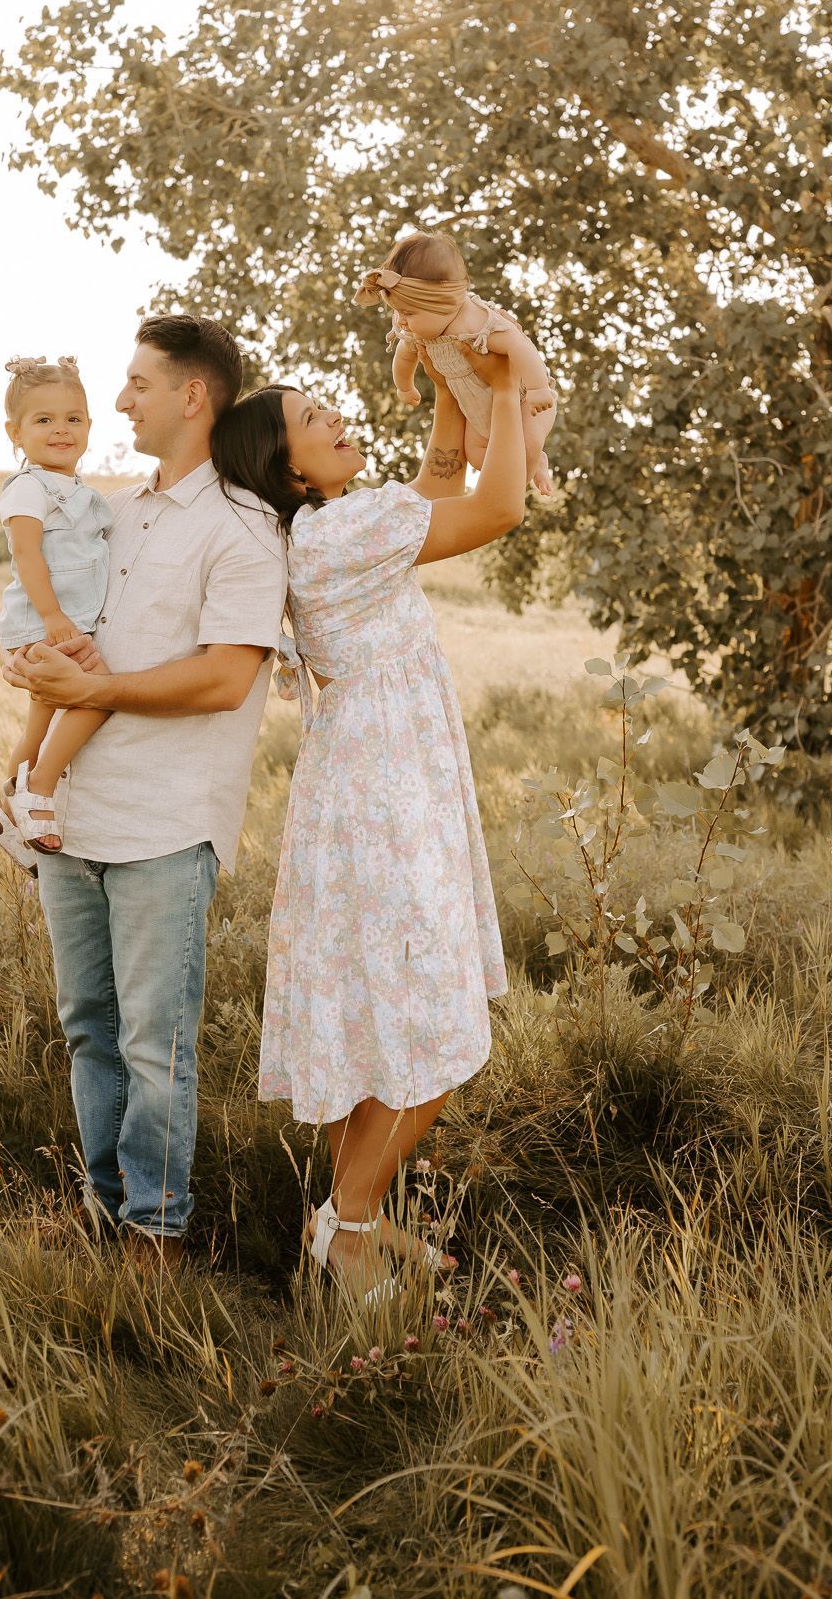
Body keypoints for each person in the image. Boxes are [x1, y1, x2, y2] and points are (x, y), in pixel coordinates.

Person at [210, 341, 525, 1299]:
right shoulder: (341, 535)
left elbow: (437, 476)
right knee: (429, 1026)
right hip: (387, 799)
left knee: (388, 1023)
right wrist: (504, 390)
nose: (336, 419)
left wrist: (439, 387)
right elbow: (497, 505)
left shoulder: (336, 528)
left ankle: (355, 1213)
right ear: (288, 468)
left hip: (374, 791)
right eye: (313, 421)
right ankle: (345, 1232)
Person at [5, 315, 286, 1263]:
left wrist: (98, 689)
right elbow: (79, 627)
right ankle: (103, 1205)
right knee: (88, 1030)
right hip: (74, 813)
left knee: (154, 1047)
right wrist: (43, 673)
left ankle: (157, 1232)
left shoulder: (243, 525)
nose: (117, 401)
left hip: (166, 821)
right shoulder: (113, 511)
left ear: (190, 396)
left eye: (135, 384)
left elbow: (224, 677)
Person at [0, 356, 113, 866]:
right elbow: (27, 555)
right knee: (96, 694)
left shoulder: (82, 493)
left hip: (60, 625)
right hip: (45, 624)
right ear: (14, 432)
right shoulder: (28, 488)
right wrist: (54, 616)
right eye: (44, 420)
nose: (61, 429)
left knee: (39, 725)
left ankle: (5, 809)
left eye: (73, 418)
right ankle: (37, 788)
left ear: (89, 426)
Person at [354, 229, 558, 490]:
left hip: (524, 402)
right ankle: (530, 465)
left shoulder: (477, 324)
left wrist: (538, 388)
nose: (401, 320)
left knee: (525, 448)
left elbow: (519, 344)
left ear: (442, 302)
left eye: (407, 312)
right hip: (476, 409)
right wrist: (404, 386)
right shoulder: (416, 328)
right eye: (397, 311)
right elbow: (404, 357)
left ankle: (535, 462)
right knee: (475, 455)